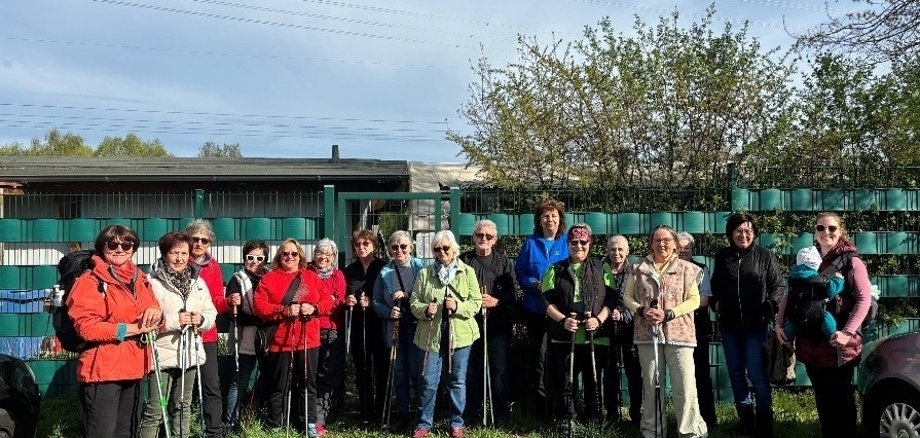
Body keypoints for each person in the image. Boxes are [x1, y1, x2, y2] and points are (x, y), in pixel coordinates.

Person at [775, 213, 871, 438]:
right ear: (815, 232)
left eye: (832, 228)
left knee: (841, 400)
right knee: (822, 399)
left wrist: (847, 332)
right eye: (821, 228)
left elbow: (863, 298)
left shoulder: (851, 262)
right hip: (810, 343)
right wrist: (779, 324)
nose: (826, 233)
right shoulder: (807, 259)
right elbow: (792, 295)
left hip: (837, 343)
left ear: (841, 231)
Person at [67, 224, 162, 437]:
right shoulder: (90, 281)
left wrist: (156, 313)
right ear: (103, 247)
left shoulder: (140, 279)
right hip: (103, 370)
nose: (120, 249)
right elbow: (87, 327)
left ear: (133, 248)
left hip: (136, 367)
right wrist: (132, 328)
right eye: (113, 244)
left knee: (126, 432)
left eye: (126, 244)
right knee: (102, 433)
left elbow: (156, 316)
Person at [624, 225, 707, 438]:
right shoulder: (638, 267)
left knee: (684, 386)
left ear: (675, 244)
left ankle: (690, 432)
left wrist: (670, 313)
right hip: (646, 334)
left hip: (680, 335)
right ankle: (653, 431)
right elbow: (627, 297)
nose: (662, 244)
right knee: (651, 386)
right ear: (651, 243)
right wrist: (642, 310)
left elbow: (695, 300)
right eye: (657, 240)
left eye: (667, 240)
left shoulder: (687, 268)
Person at [710, 212, 784, 438]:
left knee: (756, 372)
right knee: (735, 372)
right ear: (731, 233)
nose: (743, 235)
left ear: (754, 233)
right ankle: (745, 423)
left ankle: (764, 424)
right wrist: (716, 304)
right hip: (730, 326)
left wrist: (770, 305)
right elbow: (714, 286)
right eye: (739, 230)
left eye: (748, 231)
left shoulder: (765, 256)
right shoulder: (722, 257)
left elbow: (778, 286)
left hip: (756, 326)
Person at [139, 231, 218, 438]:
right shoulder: (151, 282)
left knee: (183, 405)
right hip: (161, 356)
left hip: (189, 353)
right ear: (164, 254)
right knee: (156, 409)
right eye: (174, 253)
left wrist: (200, 320)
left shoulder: (197, 282)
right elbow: (144, 321)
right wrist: (176, 321)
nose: (180, 258)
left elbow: (211, 312)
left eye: (184, 253)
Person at [253, 238, 333, 435]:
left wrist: (313, 308)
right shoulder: (269, 278)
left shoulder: (312, 277)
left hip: (308, 339)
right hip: (280, 342)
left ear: (300, 257)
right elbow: (259, 306)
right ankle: (275, 423)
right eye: (285, 253)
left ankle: (308, 423)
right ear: (279, 256)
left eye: (294, 253)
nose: (289, 257)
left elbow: (328, 302)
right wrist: (284, 311)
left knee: (308, 384)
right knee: (278, 385)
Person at [409, 230, 482, 438]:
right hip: (431, 337)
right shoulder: (424, 273)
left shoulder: (467, 272)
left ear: (454, 249)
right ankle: (424, 424)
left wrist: (458, 306)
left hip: (460, 337)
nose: (441, 252)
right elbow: (414, 302)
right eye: (437, 249)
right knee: (428, 381)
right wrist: (425, 309)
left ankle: (456, 423)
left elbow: (476, 303)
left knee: (457, 381)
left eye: (445, 248)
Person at [541, 224, 611, 435]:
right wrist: (563, 320)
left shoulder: (602, 267)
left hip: (594, 335)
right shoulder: (555, 269)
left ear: (590, 243)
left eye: (583, 242)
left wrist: (599, 320)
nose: (578, 246)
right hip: (565, 335)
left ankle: (593, 418)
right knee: (565, 381)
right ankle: (567, 418)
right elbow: (545, 300)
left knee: (592, 379)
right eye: (574, 242)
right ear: (568, 243)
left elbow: (612, 298)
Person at [514, 198, 569, 416]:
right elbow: (520, 273)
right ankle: (540, 406)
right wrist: (532, 284)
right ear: (539, 220)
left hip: (560, 311)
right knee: (539, 356)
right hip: (535, 309)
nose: (550, 219)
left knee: (558, 356)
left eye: (554, 215)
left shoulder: (566, 242)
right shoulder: (530, 244)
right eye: (545, 216)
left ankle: (560, 405)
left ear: (559, 219)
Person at [459, 219, 517, 425]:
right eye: (480, 235)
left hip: (497, 326)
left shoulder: (504, 262)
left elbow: (513, 293)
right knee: (471, 370)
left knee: (499, 369)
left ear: (496, 239)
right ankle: (471, 414)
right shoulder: (463, 261)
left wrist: (497, 301)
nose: (484, 239)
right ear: (473, 237)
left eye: (489, 236)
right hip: (469, 325)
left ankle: (500, 413)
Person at [372, 230, 426, 431]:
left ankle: (422, 415)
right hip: (395, 327)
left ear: (411, 247)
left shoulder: (421, 268)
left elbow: (429, 294)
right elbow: (376, 300)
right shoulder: (385, 271)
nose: (399, 250)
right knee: (400, 372)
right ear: (389, 249)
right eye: (395, 247)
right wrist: (388, 311)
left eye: (403, 246)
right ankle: (403, 414)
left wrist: (409, 294)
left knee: (418, 371)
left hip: (417, 327)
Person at [184, 219, 226, 437]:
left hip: (206, 334)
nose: (199, 244)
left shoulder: (214, 266)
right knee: (181, 388)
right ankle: (178, 428)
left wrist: (229, 302)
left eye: (204, 240)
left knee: (211, 385)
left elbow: (218, 299)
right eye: (195, 239)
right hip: (180, 334)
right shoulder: (178, 260)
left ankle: (214, 430)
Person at [223, 240, 270, 430]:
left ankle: (260, 413)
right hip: (246, 337)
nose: (255, 261)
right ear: (244, 258)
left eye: (260, 258)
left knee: (268, 376)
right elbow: (232, 312)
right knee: (240, 379)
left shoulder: (270, 276)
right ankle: (231, 421)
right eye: (251, 257)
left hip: (267, 336)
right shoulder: (237, 279)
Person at [342, 229, 387, 425]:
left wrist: (373, 302)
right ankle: (365, 410)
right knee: (362, 369)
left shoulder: (384, 268)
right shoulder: (349, 270)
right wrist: (348, 300)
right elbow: (343, 295)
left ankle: (381, 410)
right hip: (358, 324)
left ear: (374, 246)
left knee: (381, 368)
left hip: (379, 324)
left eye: (365, 244)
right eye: (357, 245)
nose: (361, 247)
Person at [676, 231, 717, 430]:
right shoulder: (669, 269)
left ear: (693, 250)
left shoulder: (701, 269)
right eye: (680, 247)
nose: (683, 251)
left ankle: (707, 417)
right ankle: (683, 418)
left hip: (697, 329)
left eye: (688, 248)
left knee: (701, 374)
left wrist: (678, 308)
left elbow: (704, 300)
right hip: (674, 330)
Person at [601, 235, 642, 425]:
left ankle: (636, 412)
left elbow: (640, 300)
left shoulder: (636, 271)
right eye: (612, 249)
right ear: (607, 251)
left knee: (634, 372)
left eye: (620, 249)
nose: (616, 253)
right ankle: (611, 413)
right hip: (606, 327)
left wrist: (623, 314)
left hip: (630, 329)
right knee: (609, 372)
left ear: (627, 251)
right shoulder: (599, 269)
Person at [309, 238, 348, 436]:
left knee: (328, 373)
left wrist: (319, 303)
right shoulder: (306, 274)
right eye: (319, 253)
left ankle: (319, 419)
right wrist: (326, 300)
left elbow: (340, 302)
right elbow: (305, 299)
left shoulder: (338, 276)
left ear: (333, 258)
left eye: (328, 254)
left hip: (332, 330)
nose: (323, 257)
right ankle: (308, 417)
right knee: (310, 374)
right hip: (309, 329)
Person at [780, 246, 844, 342]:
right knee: (827, 318)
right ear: (816, 264)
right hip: (816, 314)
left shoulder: (792, 279)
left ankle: (787, 340)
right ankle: (832, 337)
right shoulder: (820, 280)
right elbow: (832, 290)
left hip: (796, 315)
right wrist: (839, 279)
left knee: (790, 322)